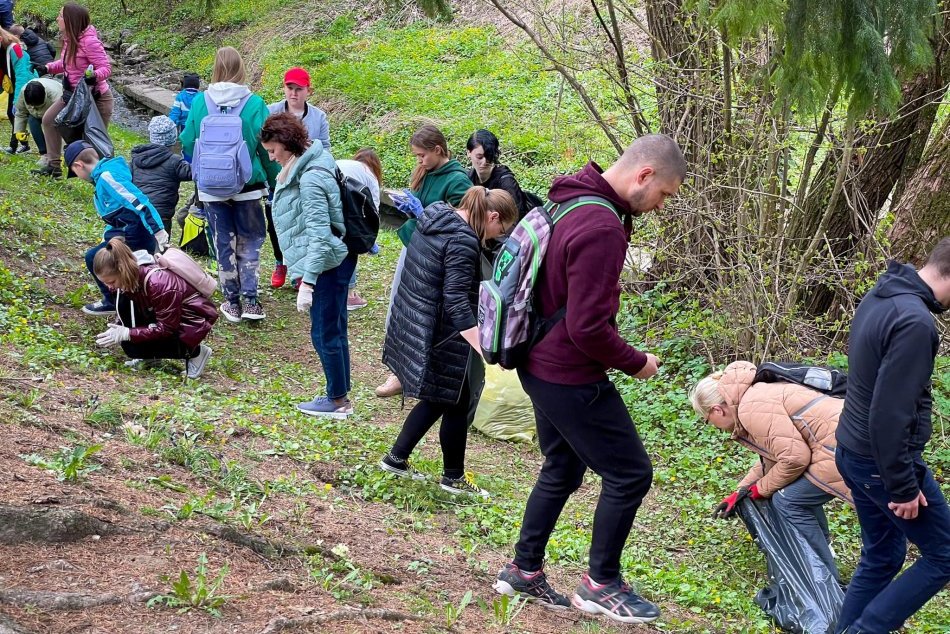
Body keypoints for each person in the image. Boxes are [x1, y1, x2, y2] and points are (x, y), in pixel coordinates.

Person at [493, 135, 685, 623]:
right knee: (630, 473)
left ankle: (523, 570)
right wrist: (637, 361)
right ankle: (602, 583)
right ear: (643, 175)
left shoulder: (572, 199)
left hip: (538, 362)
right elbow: (587, 328)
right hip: (568, 372)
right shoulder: (601, 224)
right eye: (664, 194)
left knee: (563, 466)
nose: (661, 207)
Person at [833, 239, 950, 634]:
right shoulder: (915, 322)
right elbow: (889, 413)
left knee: (883, 554)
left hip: (851, 451)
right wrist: (901, 485)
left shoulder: (883, 294)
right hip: (879, 463)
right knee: (945, 553)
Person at [379, 186, 517, 496]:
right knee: (455, 399)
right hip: (439, 332)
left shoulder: (436, 214)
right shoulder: (464, 241)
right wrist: (484, 349)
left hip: (416, 321)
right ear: (492, 216)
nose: (496, 235)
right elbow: (455, 300)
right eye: (500, 228)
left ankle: (396, 458)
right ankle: (453, 478)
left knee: (444, 397)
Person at [690, 361, 853, 582]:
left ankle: (823, 576)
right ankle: (823, 551)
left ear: (717, 410)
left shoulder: (751, 408)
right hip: (843, 440)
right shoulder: (753, 396)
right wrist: (741, 491)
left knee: (789, 501)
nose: (716, 428)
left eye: (709, 421)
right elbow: (774, 456)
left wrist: (760, 489)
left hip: (842, 448)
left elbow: (794, 459)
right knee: (792, 493)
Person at [260, 112, 353, 417]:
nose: (271, 158)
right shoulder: (306, 166)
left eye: (273, 151)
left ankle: (337, 401)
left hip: (326, 264)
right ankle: (339, 394)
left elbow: (320, 235)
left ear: (286, 145)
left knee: (324, 332)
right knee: (334, 329)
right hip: (333, 260)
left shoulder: (310, 179)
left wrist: (308, 283)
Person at [179, 46, 278, 323]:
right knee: (250, 241)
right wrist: (273, 180)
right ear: (241, 68)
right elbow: (266, 147)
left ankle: (231, 302)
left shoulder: (201, 102)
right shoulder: (255, 103)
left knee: (223, 241)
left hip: (211, 186)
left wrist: (202, 165)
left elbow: (187, 140)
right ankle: (251, 301)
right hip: (249, 185)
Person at [375, 124, 471, 399]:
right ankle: (400, 370)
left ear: (437, 150)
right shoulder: (428, 173)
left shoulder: (457, 181)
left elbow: (458, 223)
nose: (418, 161)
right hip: (416, 245)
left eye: (421, 155)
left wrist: (424, 213)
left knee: (417, 314)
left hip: (433, 258)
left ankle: (407, 374)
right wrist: (410, 203)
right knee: (400, 306)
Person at [64, 140, 169, 315]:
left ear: (79, 165)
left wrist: (159, 232)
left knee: (98, 260)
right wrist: (107, 238)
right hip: (125, 233)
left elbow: (140, 203)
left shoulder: (107, 178)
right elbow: (114, 220)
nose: (78, 177)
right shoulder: (101, 179)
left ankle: (119, 304)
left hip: (137, 235)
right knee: (101, 258)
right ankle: (125, 304)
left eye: (74, 172)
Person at [92, 237, 216, 379]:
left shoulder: (159, 283)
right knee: (130, 345)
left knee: (131, 340)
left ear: (122, 270)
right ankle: (150, 357)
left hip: (190, 323)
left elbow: (168, 328)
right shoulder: (127, 281)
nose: (109, 287)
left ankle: (195, 352)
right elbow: (125, 312)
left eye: (111, 281)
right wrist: (118, 328)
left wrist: (129, 333)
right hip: (161, 315)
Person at [265, 67, 330, 289]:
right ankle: (280, 262)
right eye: (289, 88)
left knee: (302, 222)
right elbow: (264, 146)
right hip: (278, 177)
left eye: (299, 89)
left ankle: (300, 270)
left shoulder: (318, 116)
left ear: (308, 91)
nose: (293, 94)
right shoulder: (270, 111)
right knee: (276, 222)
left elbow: (325, 147)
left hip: (305, 178)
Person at [33, 3, 113, 178]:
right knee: (49, 120)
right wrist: (47, 68)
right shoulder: (69, 39)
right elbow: (65, 64)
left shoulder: (90, 41)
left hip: (95, 99)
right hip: (72, 95)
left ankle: (101, 179)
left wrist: (93, 76)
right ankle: (53, 167)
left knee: (94, 142)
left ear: (70, 20)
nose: (57, 19)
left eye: (60, 16)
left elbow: (106, 68)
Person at [337, 147, 382, 311]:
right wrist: (370, 241)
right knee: (351, 245)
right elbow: (374, 212)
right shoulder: (370, 175)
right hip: (345, 207)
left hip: (325, 201)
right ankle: (349, 296)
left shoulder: (343, 163)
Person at [131, 115, 192, 234]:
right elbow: (193, 173)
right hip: (161, 215)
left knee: (140, 247)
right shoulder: (175, 161)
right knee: (160, 249)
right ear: (173, 137)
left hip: (138, 210)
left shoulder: (136, 159)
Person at [466, 129, 535, 216]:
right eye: (479, 157)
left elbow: (516, 217)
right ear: (468, 153)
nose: (484, 162)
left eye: (489, 156)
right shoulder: (467, 178)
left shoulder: (506, 182)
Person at [1, 26, 36, 154]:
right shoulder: (3, 49)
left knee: (16, 114)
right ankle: (23, 144)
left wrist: (16, 100)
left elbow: (22, 74)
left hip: (26, 84)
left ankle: (16, 146)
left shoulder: (14, 48)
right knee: (12, 114)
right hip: (14, 83)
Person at [13, 76, 58, 169]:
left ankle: (56, 155)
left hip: (54, 114)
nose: (34, 107)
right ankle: (44, 155)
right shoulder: (24, 92)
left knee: (55, 129)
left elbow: (63, 119)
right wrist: (19, 131)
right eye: (31, 105)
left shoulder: (56, 95)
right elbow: (21, 113)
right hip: (36, 115)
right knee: (32, 120)